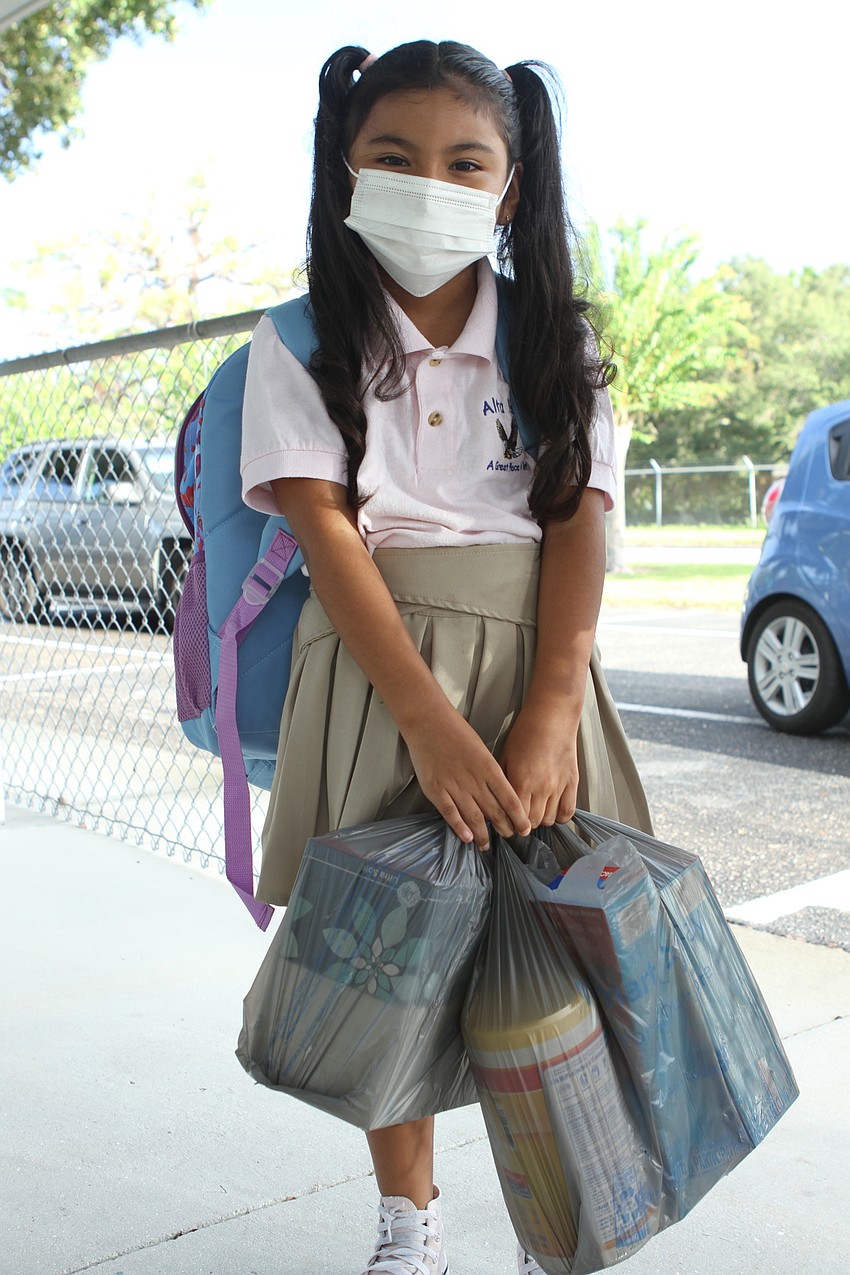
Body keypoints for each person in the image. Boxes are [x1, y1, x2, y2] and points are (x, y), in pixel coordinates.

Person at [240, 38, 652, 1275]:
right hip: (379, 676)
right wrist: (423, 719)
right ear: (346, 171)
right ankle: (406, 1224)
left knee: (559, 956)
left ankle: (556, 1215)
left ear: (509, 186)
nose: (430, 182)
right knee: (388, 963)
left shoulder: (552, 342)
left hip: (536, 671)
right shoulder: (302, 340)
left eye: (465, 161)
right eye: (393, 158)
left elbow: (578, 517)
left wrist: (546, 712)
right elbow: (325, 529)